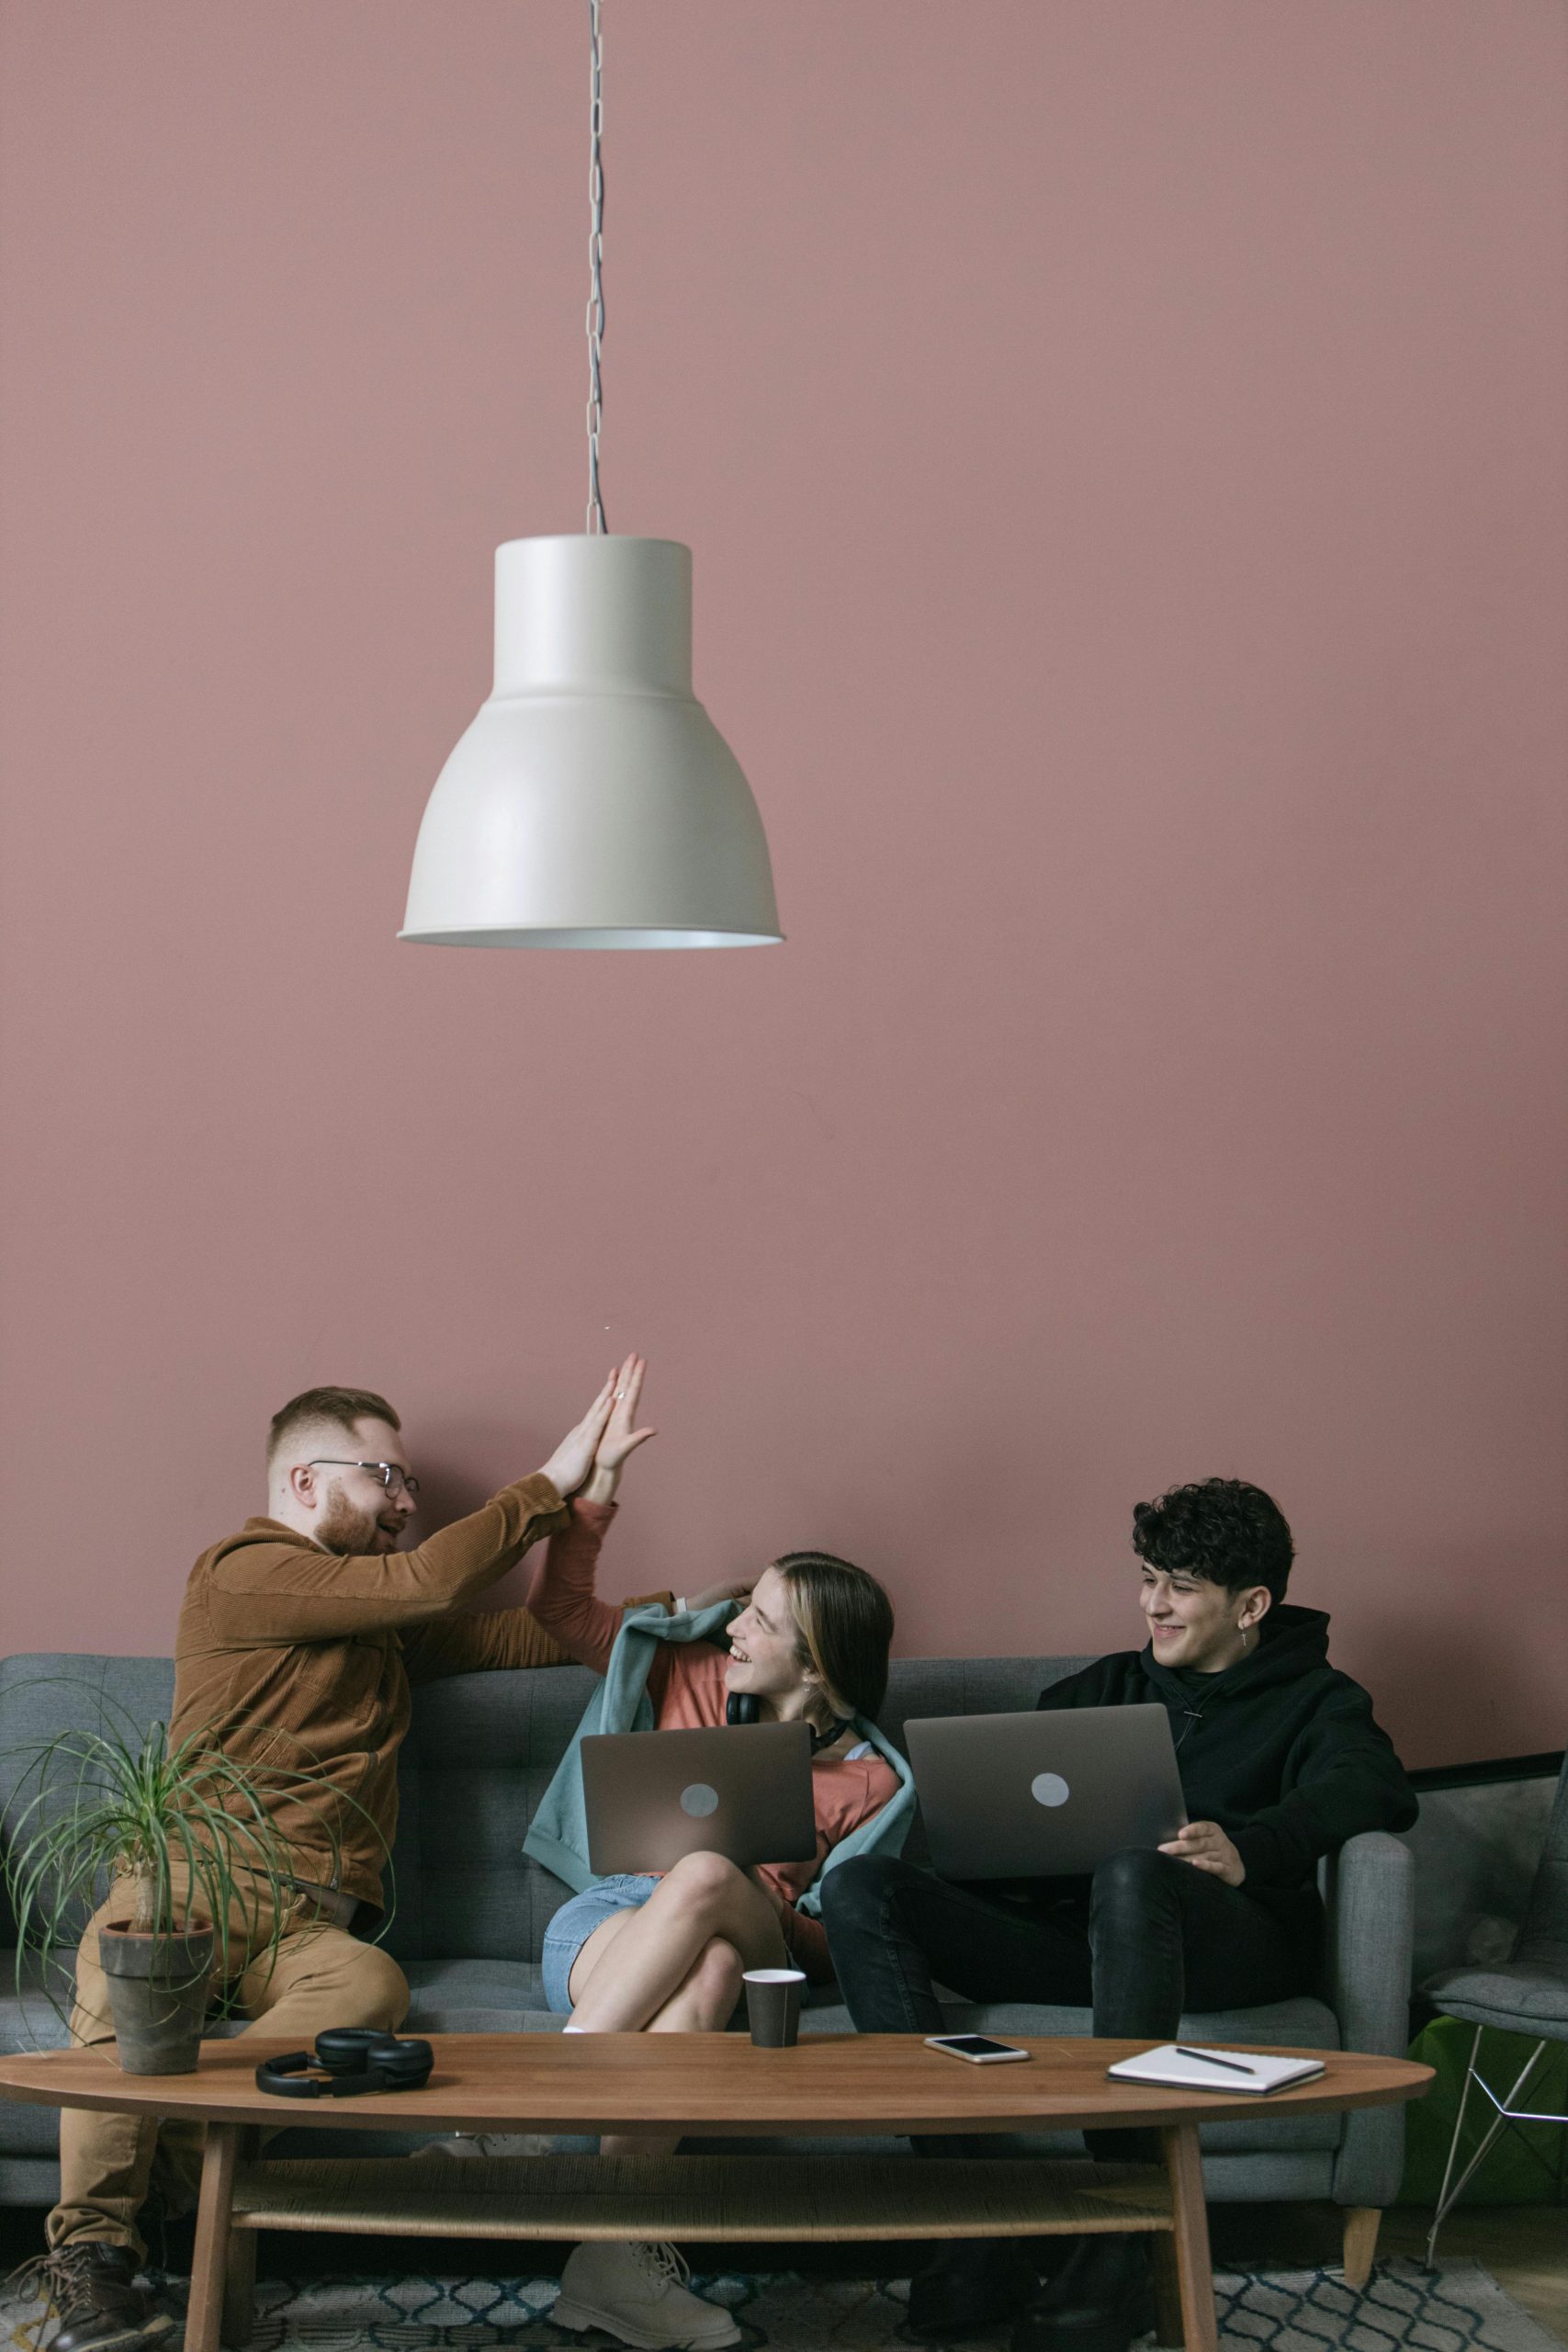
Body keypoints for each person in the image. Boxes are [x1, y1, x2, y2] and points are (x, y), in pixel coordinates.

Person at [28, 1371, 684, 2352]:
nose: (409, 1503)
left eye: (409, 1482)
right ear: (302, 1481)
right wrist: (549, 1476)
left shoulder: (372, 1623)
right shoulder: (241, 1569)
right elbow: (428, 1581)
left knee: (371, 1983)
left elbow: (519, 1633)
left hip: (312, 1926)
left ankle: (170, 2174)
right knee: (122, 1977)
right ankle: (91, 2263)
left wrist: (695, 1613)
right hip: (197, 1880)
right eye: (387, 1476)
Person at [822, 1476, 1419, 2352]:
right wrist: (990, 1855)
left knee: (1136, 1872)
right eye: (1147, 1578)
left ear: (1250, 1604)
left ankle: (1118, 2235)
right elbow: (998, 1820)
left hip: (1224, 1943)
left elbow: (1375, 1788)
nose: (1152, 1604)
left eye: (1179, 1586)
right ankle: (977, 2218)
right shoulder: (1097, 1689)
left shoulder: (1318, 1700)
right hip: (1085, 1941)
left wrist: (1253, 1847)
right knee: (861, 1885)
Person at [521, 1355, 913, 2352]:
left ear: (817, 1669)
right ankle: (617, 2262)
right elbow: (560, 1612)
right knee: (710, 1962)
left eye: (762, 1621)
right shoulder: (684, 1667)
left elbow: (833, 1945)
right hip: (607, 1921)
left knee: (716, 1898)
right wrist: (596, 1489)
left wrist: (744, 1891)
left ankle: (540, 2108)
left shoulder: (876, 1782)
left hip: (760, 1934)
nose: (734, 1622)